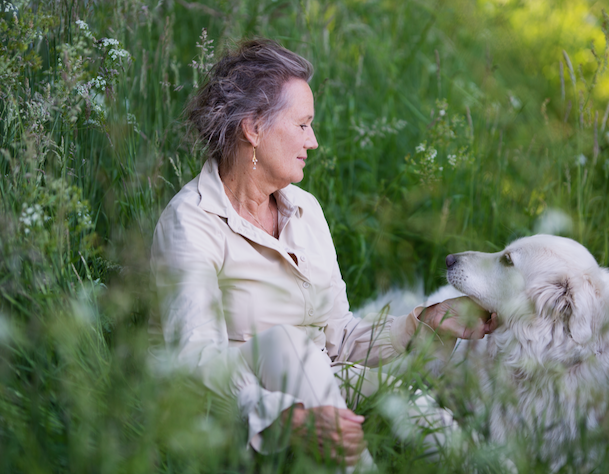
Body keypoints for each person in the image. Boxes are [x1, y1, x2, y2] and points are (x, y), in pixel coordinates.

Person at [151, 38, 497, 467]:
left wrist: (420, 323)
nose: (312, 141)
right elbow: (196, 361)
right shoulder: (191, 221)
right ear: (254, 128)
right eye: (302, 125)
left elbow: (339, 337)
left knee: (423, 416)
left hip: (324, 380)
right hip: (241, 420)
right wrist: (290, 420)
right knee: (284, 344)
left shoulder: (305, 209)